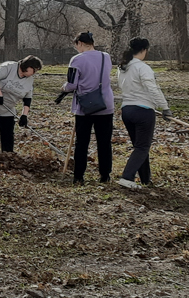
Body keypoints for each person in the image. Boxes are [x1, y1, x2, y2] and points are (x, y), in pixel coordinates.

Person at [117, 38, 172, 190]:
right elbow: (153, 89)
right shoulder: (143, 67)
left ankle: (145, 179)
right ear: (145, 50)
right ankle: (127, 177)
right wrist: (165, 107)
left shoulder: (123, 67)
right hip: (143, 111)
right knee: (142, 147)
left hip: (127, 110)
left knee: (139, 146)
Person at [62, 32, 115, 184]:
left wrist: (64, 88)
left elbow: (72, 84)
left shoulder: (76, 60)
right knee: (104, 142)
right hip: (105, 104)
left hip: (85, 106)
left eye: (76, 45)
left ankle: (79, 176)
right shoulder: (106, 57)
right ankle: (105, 175)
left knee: (82, 142)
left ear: (80, 43)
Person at [0, 55, 42, 152]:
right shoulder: (9, 67)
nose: (34, 73)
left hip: (7, 107)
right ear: (28, 66)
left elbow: (27, 98)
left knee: (8, 133)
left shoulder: (29, 79)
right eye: (34, 70)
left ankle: (7, 155)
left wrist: (24, 115)